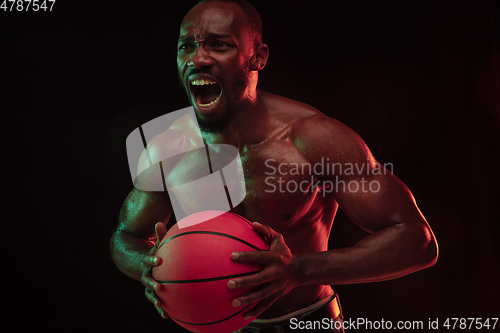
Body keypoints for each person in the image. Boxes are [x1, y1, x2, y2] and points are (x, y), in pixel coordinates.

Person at [110, 1, 439, 332]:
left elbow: (416, 240)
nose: (197, 59)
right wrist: (149, 267)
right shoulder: (167, 149)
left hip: (308, 322)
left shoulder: (312, 138)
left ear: (258, 57)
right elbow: (126, 236)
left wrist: (300, 269)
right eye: (187, 46)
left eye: (218, 45)